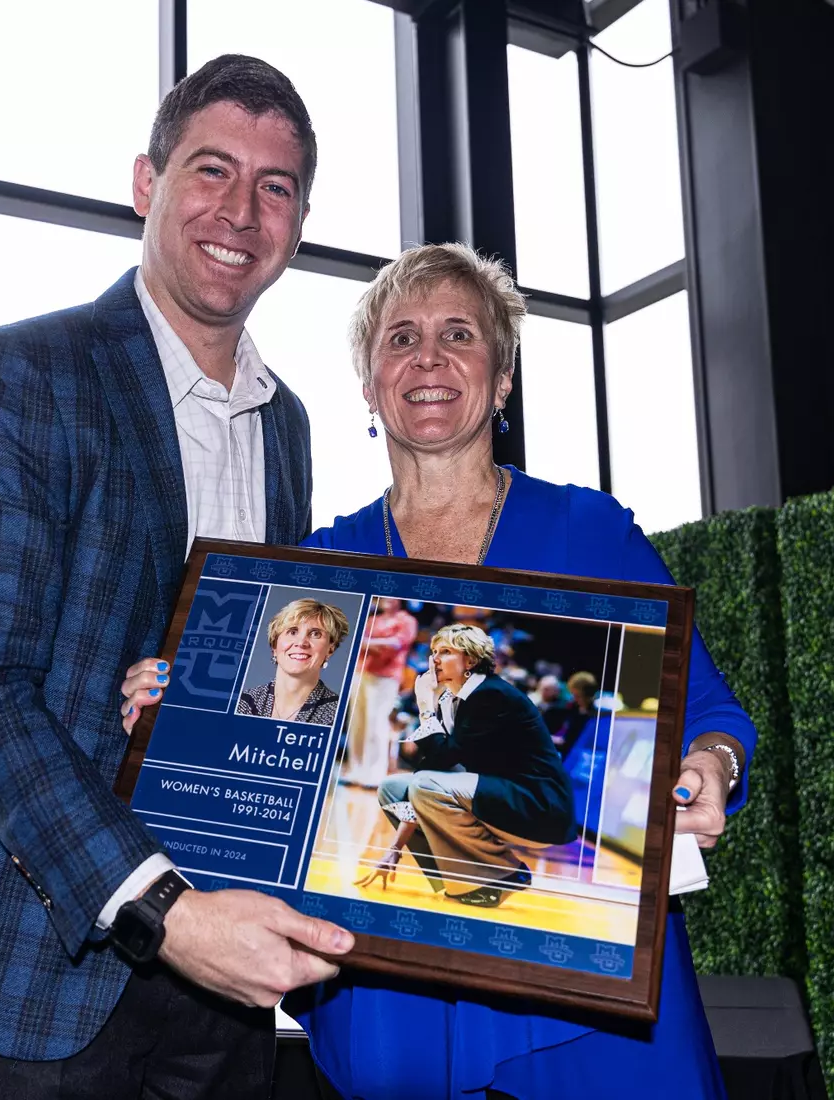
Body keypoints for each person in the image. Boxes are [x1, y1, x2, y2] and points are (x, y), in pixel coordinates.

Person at [123, 241, 755, 1099]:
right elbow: (266, 756)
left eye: (459, 334)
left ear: (502, 380)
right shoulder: (320, 568)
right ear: (369, 384)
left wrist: (713, 764)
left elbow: (712, 715)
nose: (428, 357)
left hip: (591, 999)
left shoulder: (591, 531)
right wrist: (170, 718)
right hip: (397, 1001)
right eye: (401, 338)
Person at [0, 55, 355, 1100]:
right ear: (145, 183)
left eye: (275, 186)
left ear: (299, 224)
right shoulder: (24, 373)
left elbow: (262, 674)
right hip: (31, 964)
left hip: (221, 986)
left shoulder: (287, 425)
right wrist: (164, 909)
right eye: (211, 170)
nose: (240, 210)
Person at [358, 623, 575, 907]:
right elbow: (432, 769)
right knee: (393, 788)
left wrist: (425, 707)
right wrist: (395, 848)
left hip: (536, 806)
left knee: (423, 786)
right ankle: (456, 877)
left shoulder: (490, 695)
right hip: (499, 796)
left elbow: (442, 763)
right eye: (434, 651)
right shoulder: (452, 699)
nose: (434, 659)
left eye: (445, 652)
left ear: (470, 660)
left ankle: (503, 871)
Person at [339, 596, 418, 786]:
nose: (386, 599)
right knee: (357, 723)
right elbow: (353, 642)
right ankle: (356, 769)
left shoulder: (406, 620)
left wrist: (366, 643)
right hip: (361, 672)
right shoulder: (372, 620)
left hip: (385, 677)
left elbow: (395, 645)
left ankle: (374, 774)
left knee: (377, 723)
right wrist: (373, 644)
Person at [236, 597, 351, 724]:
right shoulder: (242, 703)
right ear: (274, 645)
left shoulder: (342, 715)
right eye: (292, 632)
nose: (301, 643)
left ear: (330, 649)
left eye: (315, 634)